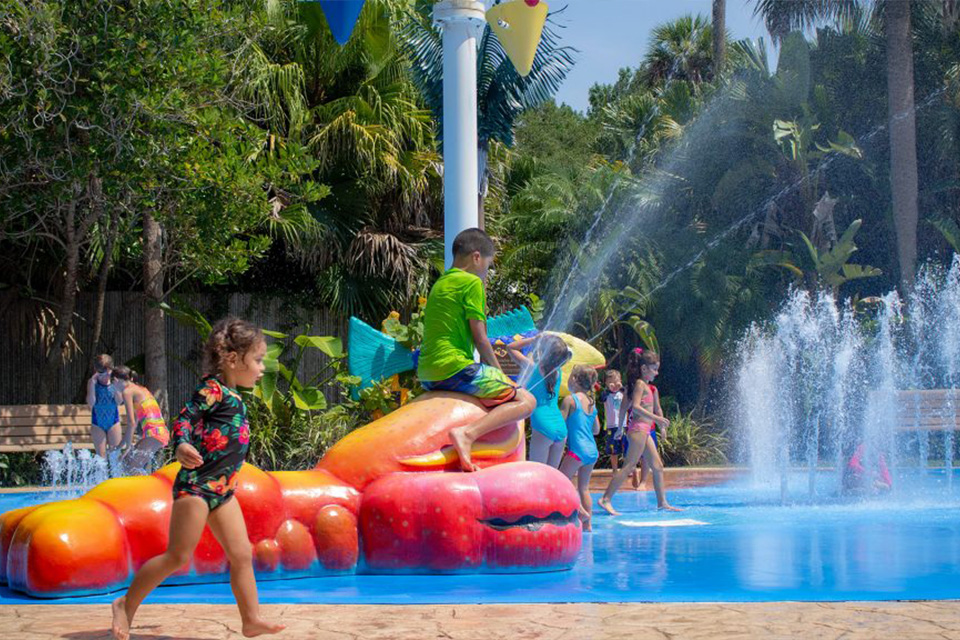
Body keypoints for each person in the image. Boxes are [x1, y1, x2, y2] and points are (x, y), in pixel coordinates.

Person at [111, 318, 284, 640]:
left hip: (223, 492)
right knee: (177, 556)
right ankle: (124, 605)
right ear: (233, 360)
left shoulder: (233, 394)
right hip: (197, 487)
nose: (262, 368)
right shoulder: (213, 389)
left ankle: (251, 619)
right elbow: (185, 417)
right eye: (258, 360)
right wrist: (183, 444)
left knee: (242, 554)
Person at [417, 228, 537, 472]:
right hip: (454, 368)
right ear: (476, 257)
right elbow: (481, 339)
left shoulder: (439, 283)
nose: (486, 271)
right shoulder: (472, 282)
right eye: (487, 265)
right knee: (526, 400)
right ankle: (467, 434)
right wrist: (501, 374)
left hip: (428, 375)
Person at [598, 349, 681, 515]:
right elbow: (634, 407)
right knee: (629, 466)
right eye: (654, 369)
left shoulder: (646, 386)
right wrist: (656, 420)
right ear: (644, 369)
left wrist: (657, 423)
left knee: (657, 466)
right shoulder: (640, 385)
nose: (657, 373)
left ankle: (662, 502)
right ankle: (605, 499)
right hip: (637, 430)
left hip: (643, 430)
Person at [506, 333, 572, 467]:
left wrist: (534, 339)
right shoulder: (558, 371)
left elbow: (510, 348)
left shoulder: (533, 368)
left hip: (543, 425)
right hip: (560, 426)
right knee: (552, 475)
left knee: (537, 471)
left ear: (544, 351)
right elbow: (566, 353)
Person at [559, 365, 601, 532]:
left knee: (560, 482)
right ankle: (587, 525)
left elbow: (560, 428)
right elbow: (596, 430)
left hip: (577, 451)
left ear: (575, 380)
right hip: (591, 451)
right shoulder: (591, 403)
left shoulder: (570, 400)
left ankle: (581, 512)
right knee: (584, 487)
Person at [112, 366, 170, 474]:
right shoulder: (141, 389)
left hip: (154, 433)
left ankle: (151, 489)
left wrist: (127, 447)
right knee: (126, 464)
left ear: (115, 381)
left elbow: (131, 422)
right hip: (158, 432)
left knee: (131, 468)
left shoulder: (127, 392)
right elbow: (135, 422)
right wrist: (120, 446)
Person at [601, 369, 641, 489]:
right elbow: (602, 397)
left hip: (624, 426)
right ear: (606, 384)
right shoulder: (606, 395)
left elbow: (630, 395)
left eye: (616, 381)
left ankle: (633, 470)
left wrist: (621, 387)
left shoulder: (623, 393)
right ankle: (615, 470)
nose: (614, 384)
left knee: (628, 450)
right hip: (611, 426)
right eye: (610, 382)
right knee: (613, 451)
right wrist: (609, 388)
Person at [86, 354, 122, 458]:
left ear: (112, 370)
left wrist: (117, 388)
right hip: (97, 424)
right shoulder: (92, 383)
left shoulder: (115, 382)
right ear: (96, 371)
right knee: (101, 457)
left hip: (114, 423)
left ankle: (115, 475)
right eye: (102, 375)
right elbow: (91, 403)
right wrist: (92, 384)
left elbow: (119, 402)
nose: (105, 377)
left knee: (115, 456)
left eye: (108, 374)